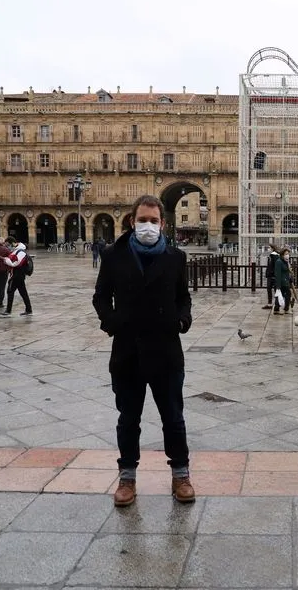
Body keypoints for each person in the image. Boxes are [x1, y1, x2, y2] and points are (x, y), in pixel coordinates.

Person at [92, 194, 195, 507]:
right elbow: (100, 297)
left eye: (153, 221)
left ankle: (181, 474)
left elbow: (183, 298)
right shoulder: (113, 255)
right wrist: (112, 323)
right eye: (142, 220)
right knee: (128, 419)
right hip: (127, 351)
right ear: (132, 221)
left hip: (166, 351)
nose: (148, 226)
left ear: (163, 223)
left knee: (173, 418)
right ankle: (127, 478)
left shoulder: (176, 258)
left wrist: (182, 319)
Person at [2, 236, 32, 316]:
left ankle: (8, 311)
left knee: (10, 291)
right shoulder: (15, 251)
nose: (7, 247)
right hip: (17, 275)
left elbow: (16, 263)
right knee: (23, 292)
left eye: (8, 245)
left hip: (17, 275)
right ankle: (29, 310)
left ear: (12, 243)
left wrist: (6, 260)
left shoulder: (20, 251)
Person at [273, 247, 292, 315]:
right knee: (279, 295)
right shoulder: (279, 262)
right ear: (282, 254)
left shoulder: (286, 262)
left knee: (287, 295)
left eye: (288, 254)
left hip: (286, 282)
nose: (287, 255)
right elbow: (277, 274)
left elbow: (287, 272)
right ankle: (277, 309)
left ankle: (285, 309)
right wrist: (278, 286)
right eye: (286, 254)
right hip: (281, 282)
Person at [262, 244, 280, 309]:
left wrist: (270, 273)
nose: (268, 249)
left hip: (272, 275)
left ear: (272, 248)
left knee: (271, 289)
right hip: (273, 275)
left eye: (269, 248)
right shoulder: (275, 255)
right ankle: (274, 304)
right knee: (274, 290)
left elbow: (273, 266)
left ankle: (272, 304)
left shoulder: (273, 255)